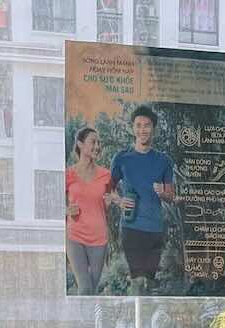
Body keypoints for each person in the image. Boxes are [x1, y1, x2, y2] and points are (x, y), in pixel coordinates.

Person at [108, 106, 175, 293]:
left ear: (154, 128)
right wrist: (119, 201)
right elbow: (108, 190)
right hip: (131, 228)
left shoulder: (164, 161)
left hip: (155, 229)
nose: (142, 129)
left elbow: (171, 196)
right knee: (137, 281)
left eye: (147, 125)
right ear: (132, 128)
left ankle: (144, 319)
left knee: (150, 282)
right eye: (138, 125)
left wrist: (163, 193)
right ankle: (135, 319)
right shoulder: (121, 158)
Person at [66, 127, 112, 295]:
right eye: (93, 142)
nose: (97, 146)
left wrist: (111, 201)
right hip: (75, 236)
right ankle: (82, 322)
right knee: (85, 288)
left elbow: (111, 198)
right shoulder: (68, 174)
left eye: (99, 143)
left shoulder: (106, 174)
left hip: (99, 239)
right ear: (80, 144)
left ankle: (90, 321)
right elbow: (51, 204)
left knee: (91, 290)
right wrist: (66, 210)